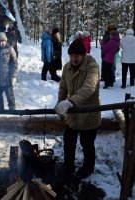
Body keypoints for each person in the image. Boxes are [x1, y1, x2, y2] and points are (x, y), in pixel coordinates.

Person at [54, 38, 101, 179]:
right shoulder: (67, 67)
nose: (73, 59)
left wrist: (69, 103)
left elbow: (89, 88)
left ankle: (88, 167)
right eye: (71, 56)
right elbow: (63, 87)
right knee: (68, 142)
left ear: (83, 55)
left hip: (88, 115)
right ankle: (68, 165)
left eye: (77, 56)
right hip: (72, 116)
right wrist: (60, 103)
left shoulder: (92, 67)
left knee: (87, 144)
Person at [0, 32, 18, 110]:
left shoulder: (10, 49)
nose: (1, 43)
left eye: (3, 41)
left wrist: (13, 76)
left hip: (7, 79)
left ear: (6, 40)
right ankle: (0, 111)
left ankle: (13, 112)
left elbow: (15, 63)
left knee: (10, 97)